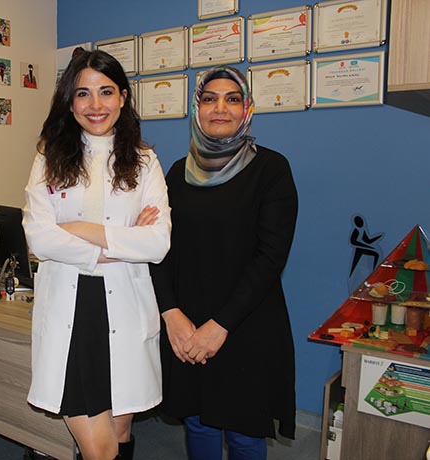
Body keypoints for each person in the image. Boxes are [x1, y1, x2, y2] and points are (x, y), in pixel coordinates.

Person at [22, 48, 171, 460]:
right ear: (70, 102)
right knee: (100, 448)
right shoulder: (49, 157)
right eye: (83, 93)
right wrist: (119, 244)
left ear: (123, 97)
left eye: (106, 92)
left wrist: (82, 231)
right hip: (73, 311)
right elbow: (39, 238)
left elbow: (158, 243)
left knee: (120, 433)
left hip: (125, 305)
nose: (95, 105)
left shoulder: (144, 161)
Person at [150, 66, 298, 460]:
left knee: (244, 432)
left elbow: (270, 257)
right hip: (187, 323)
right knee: (198, 422)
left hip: (245, 323)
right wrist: (171, 314)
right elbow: (158, 249)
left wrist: (219, 327)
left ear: (247, 109)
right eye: (209, 99)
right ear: (196, 109)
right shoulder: (177, 174)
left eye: (232, 99)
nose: (220, 108)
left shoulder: (271, 169)